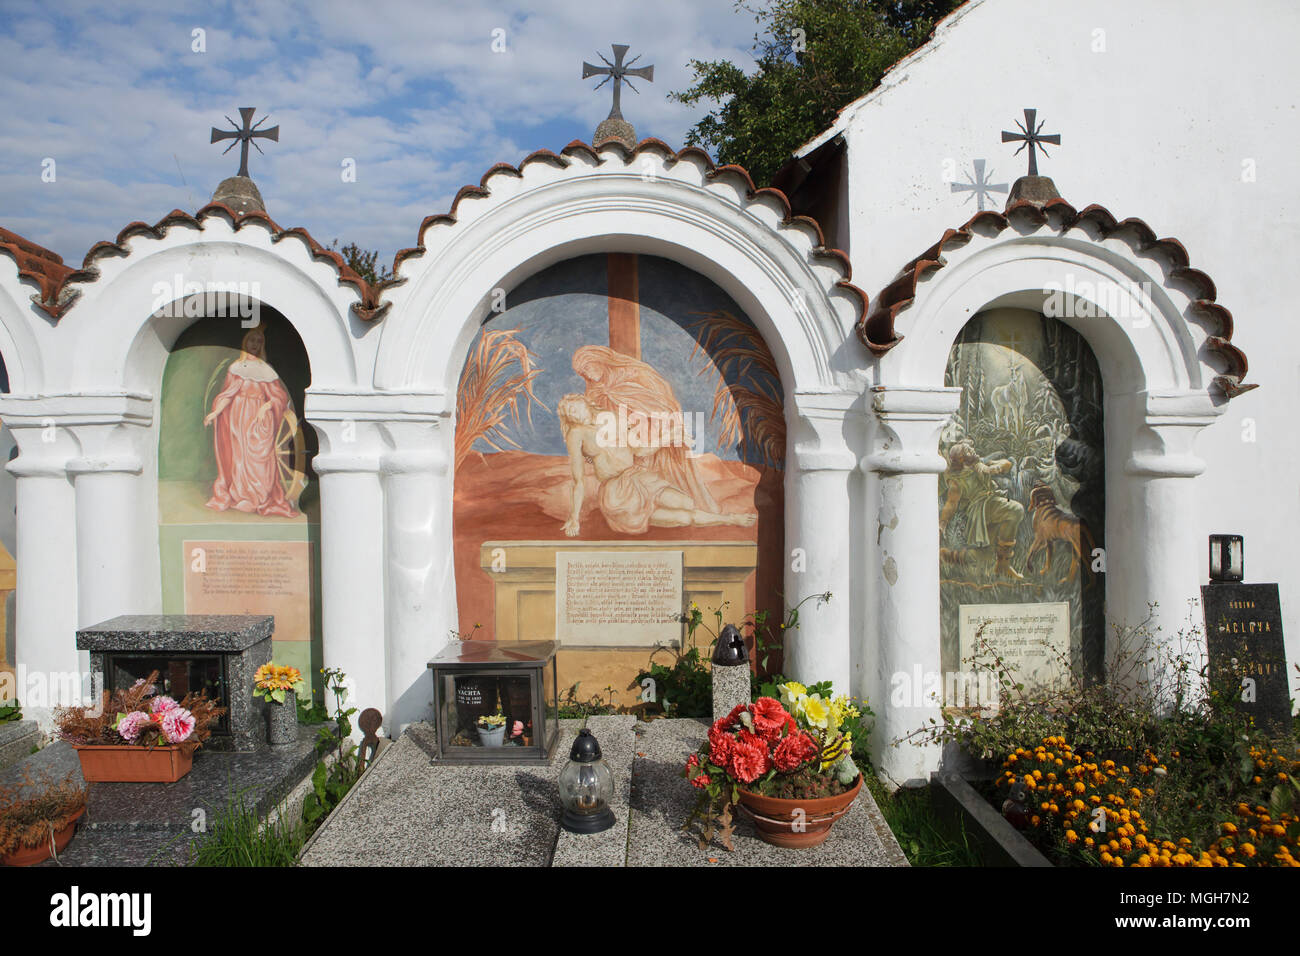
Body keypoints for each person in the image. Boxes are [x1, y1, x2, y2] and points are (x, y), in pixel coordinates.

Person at [557, 393, 754, 536]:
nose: (573, 415)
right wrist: (573, 517)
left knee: (686, 503)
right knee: (684, 518)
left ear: (585, 403)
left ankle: (725, 519)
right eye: (568, 413)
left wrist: (669, 436)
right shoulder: (576, 433)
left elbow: (640, 450)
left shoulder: (615, 420)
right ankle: (730, 519)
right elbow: (578, 480)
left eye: (574, 408)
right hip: (617, 494)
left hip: (639, 477)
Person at [204, 327, 299, 518]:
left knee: (258, 459)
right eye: (252, 341)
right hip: (237, 418)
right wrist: (215, 412)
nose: (254, 345)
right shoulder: (237, 368)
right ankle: (242, 496)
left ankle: (259, 497)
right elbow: (228, 394)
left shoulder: (266, 370)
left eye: (258, 342)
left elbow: (278, 397)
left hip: (259, 419)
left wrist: (266, 407)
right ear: (245, 343)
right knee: (239, 458)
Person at [939, 439, 1024, 580]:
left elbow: (1007, 464)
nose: (972, 451)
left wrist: (996, 467)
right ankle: (1003, 564)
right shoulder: (956, 480)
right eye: (968, 450)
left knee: (984, 557)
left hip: (991, 503)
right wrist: (942, 523)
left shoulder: (978, 464)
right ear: (961, 458)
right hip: (979, 509)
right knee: (1015, 509)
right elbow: (951, 503)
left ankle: (948, 556)